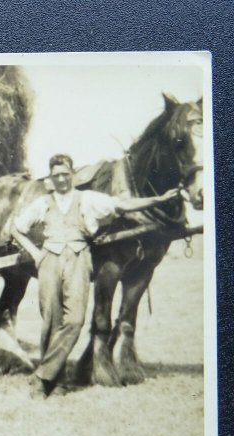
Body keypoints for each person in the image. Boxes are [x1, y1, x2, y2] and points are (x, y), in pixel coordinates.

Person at [10, 154, 180, 399]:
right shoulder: (43, 203)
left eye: (65, 174)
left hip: (79, 259)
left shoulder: (87, 199)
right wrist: (36, 254)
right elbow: (17, 227)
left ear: (71, 175)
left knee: (75, 320)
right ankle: (55, 383)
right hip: (49, 260)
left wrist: (158, 199)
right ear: (51, 177)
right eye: (56, 175)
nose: (61, 179)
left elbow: (121, 205)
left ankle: (42, 375)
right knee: (51, 319)